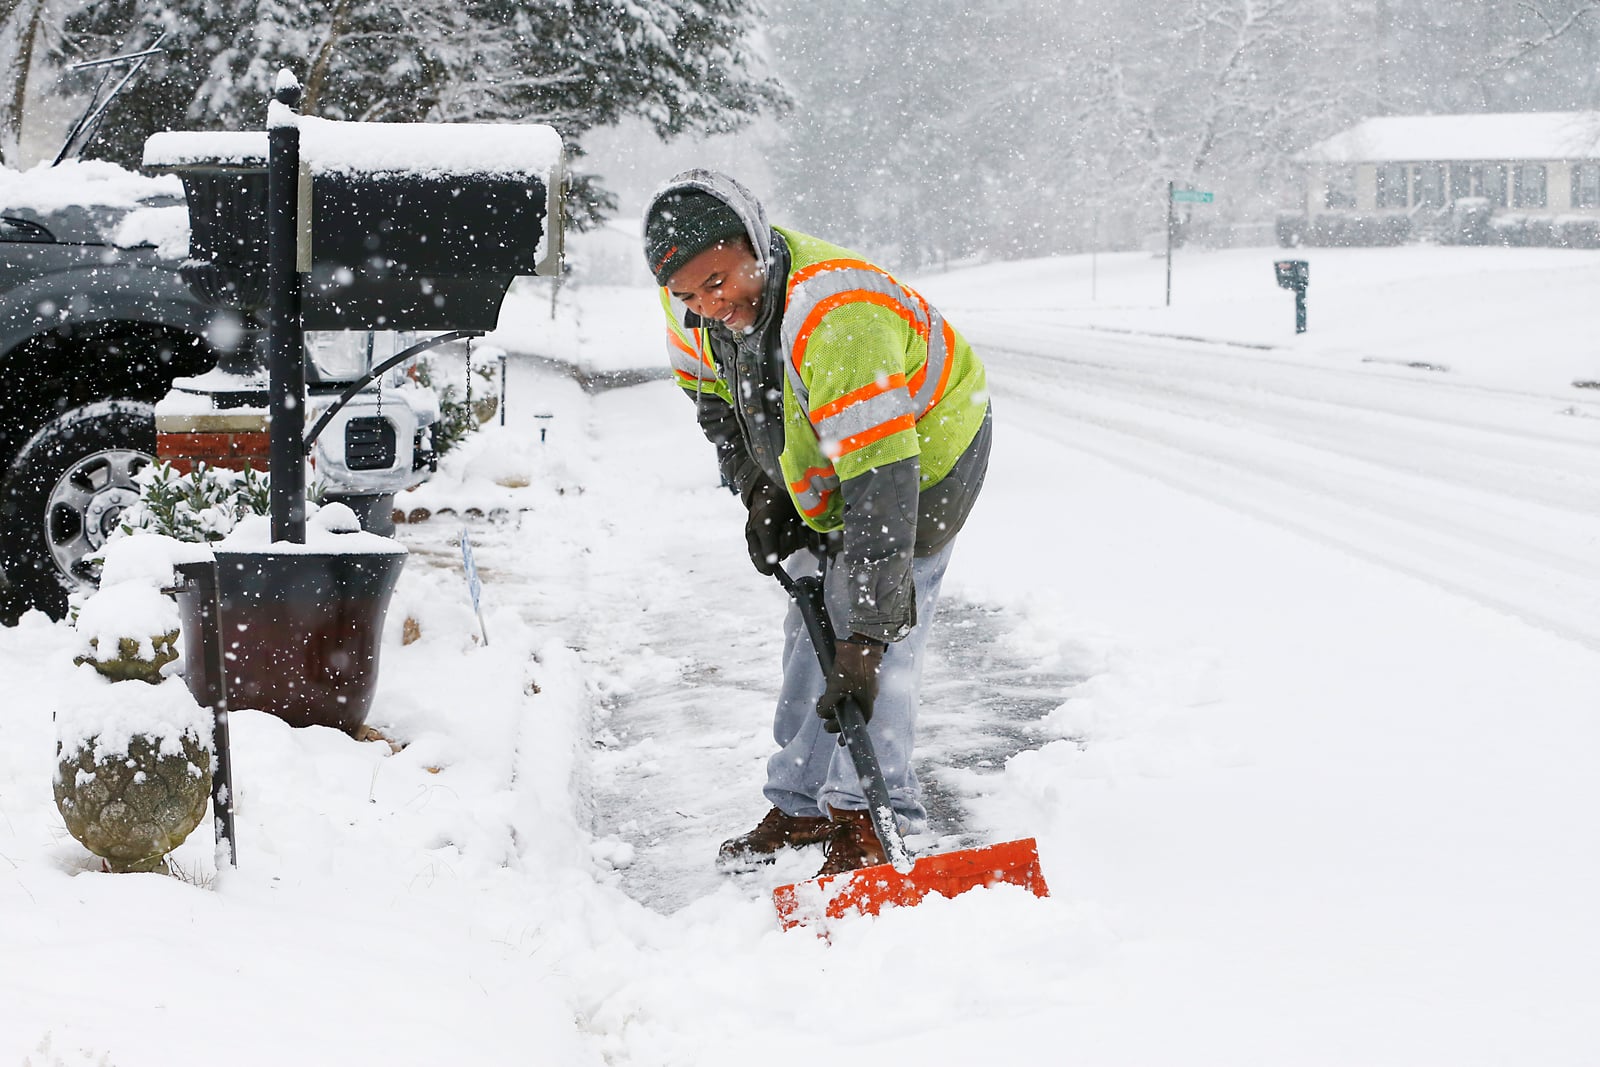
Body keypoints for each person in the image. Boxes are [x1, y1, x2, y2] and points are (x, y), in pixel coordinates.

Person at [642, 170, 993, 878]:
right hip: (833, 447)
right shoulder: (691, 303)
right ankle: (802, 802)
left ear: (755, 245)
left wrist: (864, 640)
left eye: (720, 280)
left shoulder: (838, 315)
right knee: (810, 621)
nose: (711, 305)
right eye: (689, 293)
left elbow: (883, 494)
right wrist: (759, 490)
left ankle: (875, 815)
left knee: (878, 630)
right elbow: (717, 403)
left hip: (925, 455)